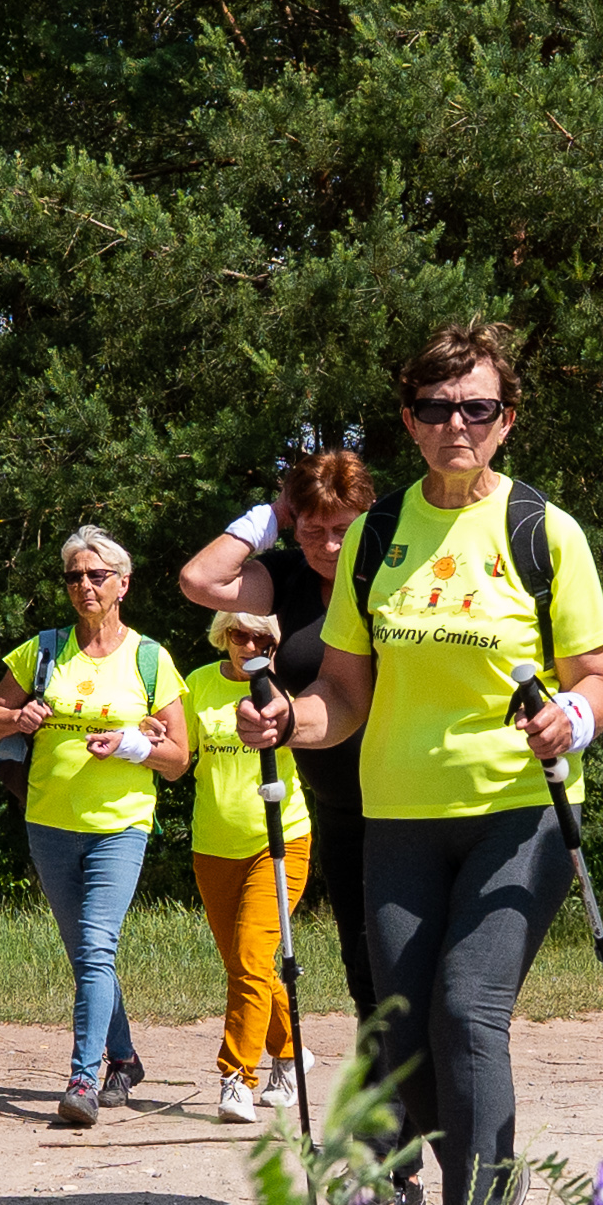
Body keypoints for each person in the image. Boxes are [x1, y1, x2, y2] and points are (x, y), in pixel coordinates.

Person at [240, 323, 603, 1205]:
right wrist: (288, 719)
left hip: (516, 812)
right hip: (396, 820)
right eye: (437, 407)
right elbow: (343, 696)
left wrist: (571, 715)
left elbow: (598, 677)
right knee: (402, 1035)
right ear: (409, 422)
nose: (457, 423)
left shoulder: (542, 531)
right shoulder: (373, 536)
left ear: (506, 418)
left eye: (476, 407)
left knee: (465, 1006)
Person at [0, 526, 193, 1130]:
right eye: (74, 576)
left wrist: (133, 749)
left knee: (97, 946)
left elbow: (177, 760)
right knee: (85, 954)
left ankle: (82, 1078)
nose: (84, 585)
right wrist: (16, 715)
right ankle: (123, 1058)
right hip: (48, 823)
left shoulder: (151, 659)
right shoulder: (43, 651)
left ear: (123, 583)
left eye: (97, 575)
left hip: (121, 827)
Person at [179, 430, 379, 1011]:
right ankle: (385, 1096)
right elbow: (200, 580)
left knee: (407, 961)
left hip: (404, 796)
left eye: (343, 528)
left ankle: (430, 1093)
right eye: (313, 529)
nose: (329, 546)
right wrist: (274, 511)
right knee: (361, 963)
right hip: (339, 803)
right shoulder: (286, 578)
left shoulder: (390, 576)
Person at [177, 600, 316, 1122]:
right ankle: (289, 1053)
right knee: (243, 965)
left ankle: (236, 1076)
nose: (250, 647)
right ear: (224, 634)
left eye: (265, 641)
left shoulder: (287, 689)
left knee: (255, 959)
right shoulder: (198, 685)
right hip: (213, 843)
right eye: (240, 635)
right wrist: (149, 735)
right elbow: (180, 751)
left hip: (279, 841)